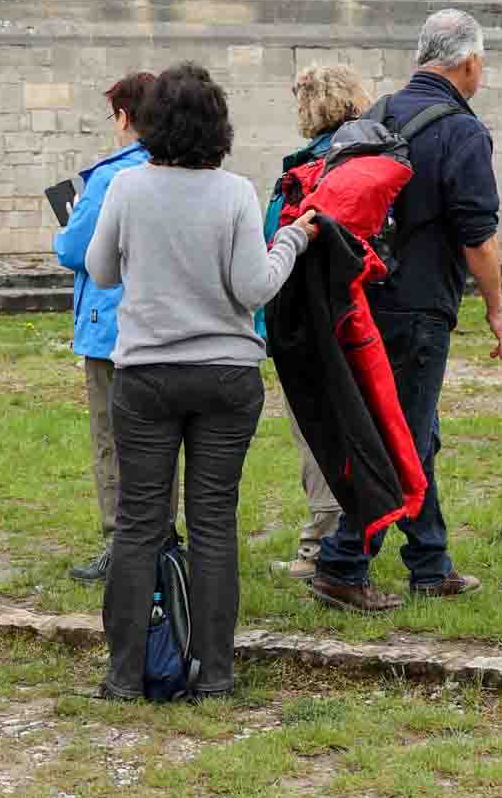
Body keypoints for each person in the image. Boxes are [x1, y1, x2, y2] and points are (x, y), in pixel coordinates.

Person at [86, 61, 314, 702]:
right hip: (225, 373)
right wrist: (291, 240)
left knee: (140, 523)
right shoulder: (236, 193)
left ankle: (124, 675)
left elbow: (101, 271)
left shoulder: (127, 188)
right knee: (214, 523)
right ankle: (215, 674)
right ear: (220, 127)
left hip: (147, 374)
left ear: (150, 124)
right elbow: (254, 287)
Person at [309, 7, 502, 615]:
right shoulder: (463, 132)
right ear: (469, 63)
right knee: (402, 439)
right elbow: (478, 237)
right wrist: (497, 311)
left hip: (363, 296)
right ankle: (343, 562)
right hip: (420, 307)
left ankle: (430, 563)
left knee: (415, 434)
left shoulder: (377, 114)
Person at [263, 64, 372, 572]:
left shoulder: (302, 172)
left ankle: (321, 545)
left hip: (311, 324)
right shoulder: (376, 161)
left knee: (316, 433)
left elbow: (271, 251)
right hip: (369, 317)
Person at [52, 71, 156, 583]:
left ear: (124, 118)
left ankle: (121, 540)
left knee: (112, 437)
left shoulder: (112, 175)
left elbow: (74, 250)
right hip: (163, 327)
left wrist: (64, 229)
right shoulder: (181, 166)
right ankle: (161, 536)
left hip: (110, 323)